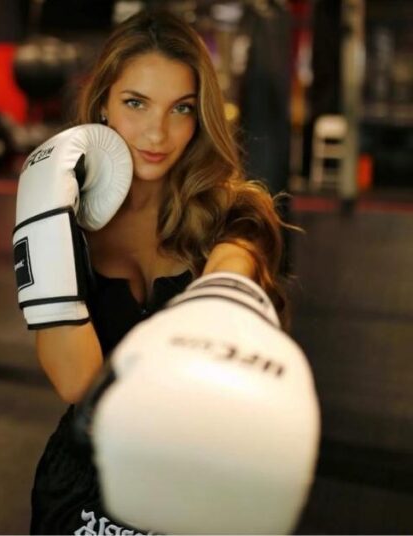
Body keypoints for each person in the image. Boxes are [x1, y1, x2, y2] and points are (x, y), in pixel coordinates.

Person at [17, 10, 297, 535]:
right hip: (82, 486)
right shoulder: (64, 219)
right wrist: (43, 223)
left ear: (200, 116)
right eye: (136, 102)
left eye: (181, 109)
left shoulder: (235, 215)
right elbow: (77, 380)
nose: (157, 132)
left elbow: (231, 277)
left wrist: (222, 293)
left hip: (195, 480)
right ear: (102, 102)